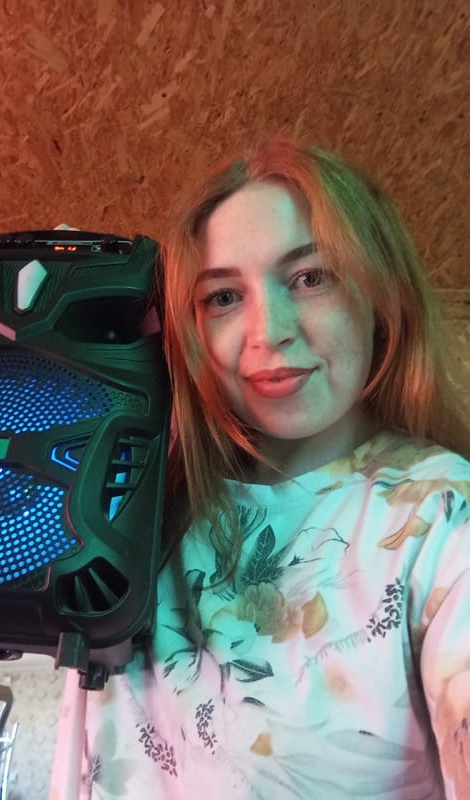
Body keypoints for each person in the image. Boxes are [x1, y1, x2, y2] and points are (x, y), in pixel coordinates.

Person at [50, 137, 470, 799]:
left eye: (310, 277)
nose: (267, 331)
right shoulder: (138, 508)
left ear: (380, 293)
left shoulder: (441, 517)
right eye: (222, 297)